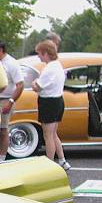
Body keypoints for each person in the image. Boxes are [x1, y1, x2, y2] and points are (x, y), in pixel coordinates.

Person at [32, 40, 70, 170]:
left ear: (46, 53)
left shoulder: (49, 69)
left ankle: (50, 164)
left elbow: (37, 87)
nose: (38, 56)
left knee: (47, 135)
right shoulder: (58, 65)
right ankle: (62, 160)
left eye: (40, 54)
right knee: (53, 134)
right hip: (58, 100)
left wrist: (34, 83)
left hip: (48, 102)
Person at [0, 39, 24, 162]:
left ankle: (2, 157)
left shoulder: (11, 63)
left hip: (5, 99)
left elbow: (20, 85)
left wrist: (11, 101)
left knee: (3, 130)